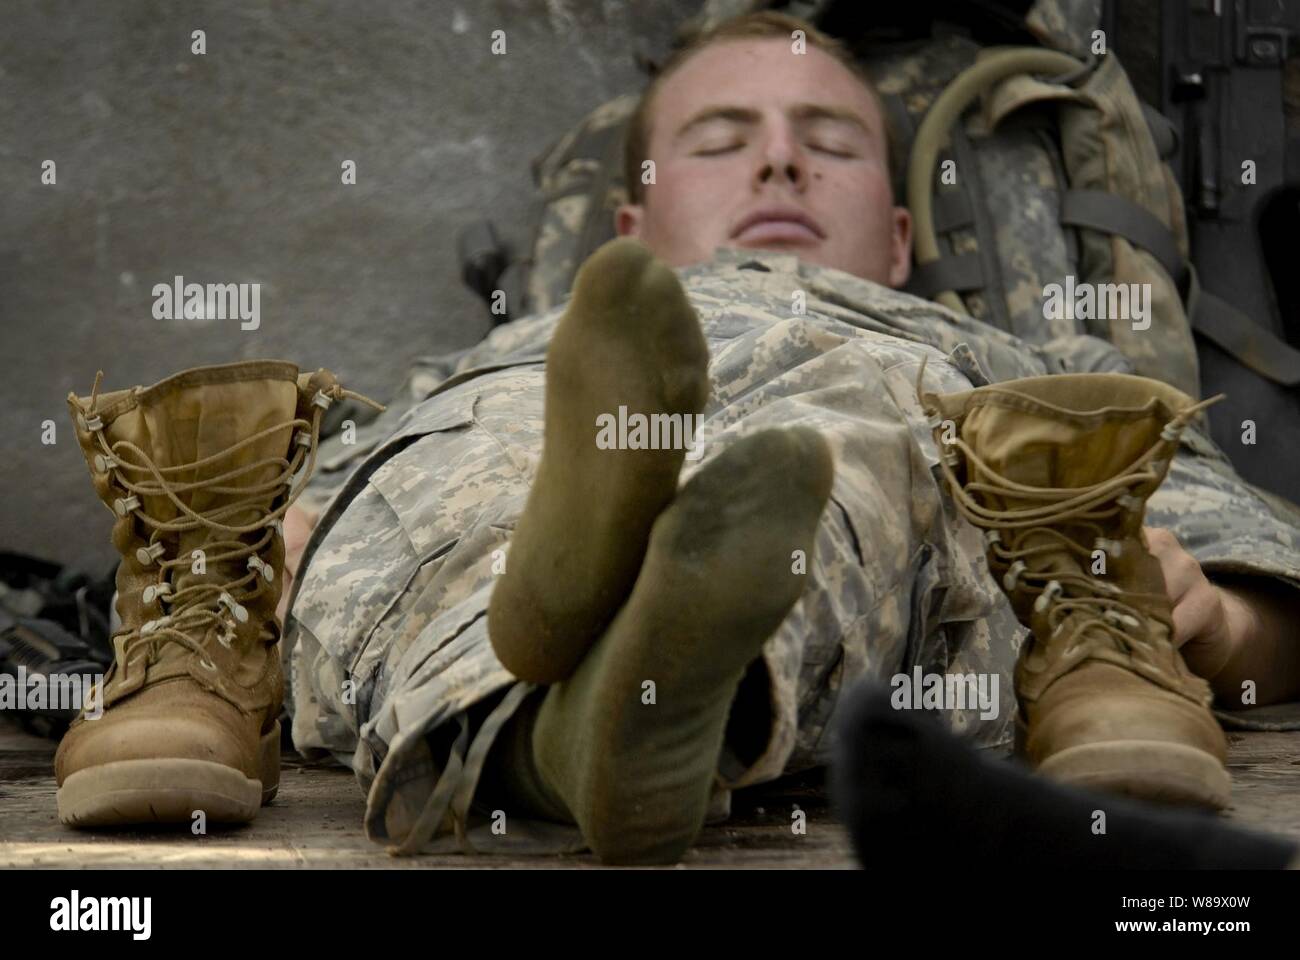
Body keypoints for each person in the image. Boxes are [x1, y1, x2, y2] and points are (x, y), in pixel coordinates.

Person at [58, 13, 1300, 866]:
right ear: (631, 219)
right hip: (532, 422)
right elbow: (320, 529)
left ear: (901, 238)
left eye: (830, 142)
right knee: (450, 487)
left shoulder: (1037, 373)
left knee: (839, 438)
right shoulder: (480, 365)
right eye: (721, 139)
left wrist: (1213, 615)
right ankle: (594, 706)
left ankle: (595, 706)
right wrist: (275, 559)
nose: (778, 158)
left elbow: (1260, 578)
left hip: (893, 434)